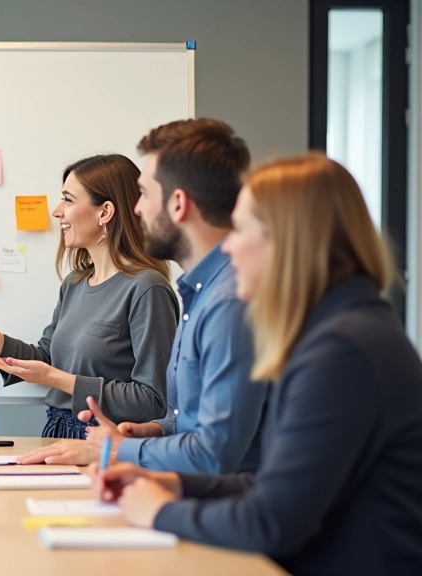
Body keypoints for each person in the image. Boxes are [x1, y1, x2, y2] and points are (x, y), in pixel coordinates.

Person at [94, 154, 422, 574]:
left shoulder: (342, 350)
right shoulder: (340, 331)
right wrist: (171, 483)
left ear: (289, 240)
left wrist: (158, 512)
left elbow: (272, 520)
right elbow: (277, 485)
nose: (228, 246)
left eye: (241, 229)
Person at [20, 119, 268, 473]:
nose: (135, 209)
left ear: (178, 203)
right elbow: (187, 420)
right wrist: (149, 431)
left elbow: (214, 453)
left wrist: (121, 452)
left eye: (145, 195)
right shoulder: (199, 295)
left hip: (217, 507)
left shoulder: (227, 302)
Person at [0, 154, 178, 438]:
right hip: (57, 430)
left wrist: (56, 379)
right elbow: (47, 359)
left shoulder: (147, 289)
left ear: (105, 212)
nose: (57, 211)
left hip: (107, 442)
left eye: (68, 200)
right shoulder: (74, 284)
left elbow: (152, 400)